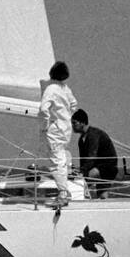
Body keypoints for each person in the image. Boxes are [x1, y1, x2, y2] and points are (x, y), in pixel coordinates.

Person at [39, 61, 78, 205]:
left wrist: (45, 125)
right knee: (62, 157)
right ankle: (64, 190)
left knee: (56, 160)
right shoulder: (65, 88)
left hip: (55, 128)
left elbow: (44, 110)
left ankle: (62, 194)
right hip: (66, 127)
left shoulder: (51, 89)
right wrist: (66, 115)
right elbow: (74, 104)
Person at [72, 109, 118, 198]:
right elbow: (83, 159)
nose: (72, 126)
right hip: (98, 166)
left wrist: (82, 172)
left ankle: (77, 198)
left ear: (82, 122)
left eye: (74, 123)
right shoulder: (81, 140)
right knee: (101, 193)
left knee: (83, 181)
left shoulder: (93, 135)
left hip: (107, 166)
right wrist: (80, 170)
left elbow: (92, 156)